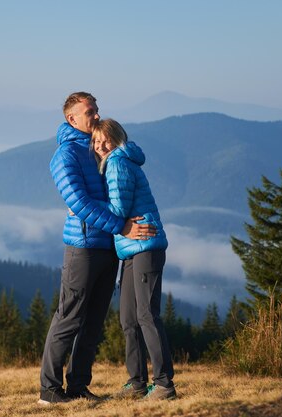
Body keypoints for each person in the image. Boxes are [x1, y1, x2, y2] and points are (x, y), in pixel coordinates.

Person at [39, 92, 156, 405]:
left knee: (93, 322)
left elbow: (133, 157)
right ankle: (49, 390)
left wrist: (119, 143)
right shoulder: (65, 155)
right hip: (83, 247)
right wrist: (122, 226)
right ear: (72, 119)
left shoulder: (97, 146)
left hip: (108, 247)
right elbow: (78, 202)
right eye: (89, 112)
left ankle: (78, 385)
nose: (95, 115)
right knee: (69, 316)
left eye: (96, 110)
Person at [90, 118, 176, 400]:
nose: (100, 146)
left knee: (146, 314)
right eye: (96, 141)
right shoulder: (116, 161)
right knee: (129, 318)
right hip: (130, 248)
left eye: (106, 140)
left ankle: (164, 384)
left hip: (145, 247)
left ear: (117, 140)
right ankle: (137, 383)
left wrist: (85, 206)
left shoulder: (117, 163)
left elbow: (118, 208)